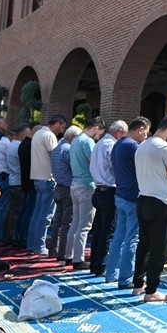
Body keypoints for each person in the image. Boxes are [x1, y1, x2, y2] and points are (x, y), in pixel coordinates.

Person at [132, 116, 167, 302]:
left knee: (144, 244)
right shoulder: (165, 148)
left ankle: (138, 285)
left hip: (143, 199)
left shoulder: (142, 146)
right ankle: (151, 291)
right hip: (161, 202)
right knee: (160, 248)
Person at [106, 117, 149, 288]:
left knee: (119, 236)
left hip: (121, 194)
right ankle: (126, 279)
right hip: (132, 197)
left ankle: (111, 274)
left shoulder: (118, 144)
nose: (146, 135)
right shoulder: (133, 146)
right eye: (146, 131)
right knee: (132, 238)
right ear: (140, 129)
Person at [88, 120, 126, 277]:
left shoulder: (99, 143)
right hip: (109, 191)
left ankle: (94, 264)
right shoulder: (111, 145)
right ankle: (101, 266)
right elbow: (114, 167)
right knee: (107, 231)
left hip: (98, 189)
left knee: (98, 230)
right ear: (119, 132)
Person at [66, 118, 104, 270]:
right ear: (96, 128)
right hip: (86, 185)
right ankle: (78, 259)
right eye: (99, 133)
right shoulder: (87, 141)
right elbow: (93, 162)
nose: (98, 137)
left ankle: (68, 255)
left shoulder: (75, 140)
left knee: (75, 223)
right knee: (84, 225)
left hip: (75, 183)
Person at [27, 115, 66, 254]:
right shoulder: (49, 135)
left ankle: (32, 244)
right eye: (61, 127)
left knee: (37, 213)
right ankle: (39, 246)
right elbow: (56, 156)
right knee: (46, 215)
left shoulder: (38, 133)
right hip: (47, 178)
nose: (61, 131)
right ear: (56, 124)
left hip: (37, 177)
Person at [47, 125, 80, 260]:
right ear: (73, 137)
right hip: (67, 188)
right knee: (67, 223)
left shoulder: (56, 148)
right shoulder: (68, 149)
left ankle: (53, 250)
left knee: (57, 222)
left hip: (59, 187)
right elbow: (74, 168)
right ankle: (63, 253)